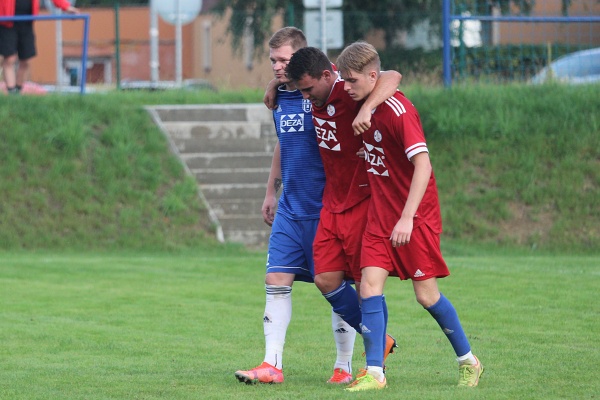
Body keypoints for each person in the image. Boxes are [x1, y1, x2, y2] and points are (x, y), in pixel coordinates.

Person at [332, 41, 484, 392]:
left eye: (352, 80)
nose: (347, 87)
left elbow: (423, 166)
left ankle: (469, 361)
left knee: (426, 296)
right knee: (368, 287)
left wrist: (407, 218)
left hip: (414, 216)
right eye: (345, 80)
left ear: (373, 77)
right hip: (379, 214)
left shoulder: (399, 112)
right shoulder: (363, 103)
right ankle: (375, 373)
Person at [234, 27, 358, 386]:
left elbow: (371, 76)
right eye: (272, 60)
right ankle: (271, 365)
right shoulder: (281, 98)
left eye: (284, 60)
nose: (276, 66)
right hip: (290, 207)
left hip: (327, 208)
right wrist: (270, 192)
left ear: (302, 58)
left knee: (334, 285)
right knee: (275, 279)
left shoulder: (326, 91)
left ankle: (344, 366)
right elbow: (283, 143)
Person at [285, 46, 402, 383]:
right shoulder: (316, 84)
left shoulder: (348, 90)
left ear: (327, 75)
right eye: (300, 90)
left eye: (308, 89)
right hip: (332, 202)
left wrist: (366, 107)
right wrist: (273, 85)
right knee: (324, 278)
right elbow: (291, 77)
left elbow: (392, 76)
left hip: (362, 201)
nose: (305, 97)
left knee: (366, 284)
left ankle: (375, 364)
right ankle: (380, 339)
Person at [0, 0, 78, 94]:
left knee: (26, 60)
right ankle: (11, 91)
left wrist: (66, 7)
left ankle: (18, 90)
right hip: (7, 23)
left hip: (26, 22)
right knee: (9, 59)